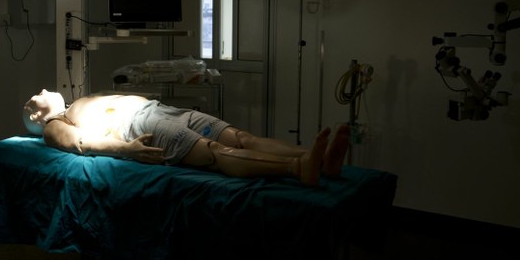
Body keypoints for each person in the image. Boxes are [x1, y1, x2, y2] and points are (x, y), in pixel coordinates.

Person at [23, 89, 350, 187]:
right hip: (141, 126)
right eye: (35, 98)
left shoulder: (75, 103)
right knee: (214, 151)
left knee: (241, 137)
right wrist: (127, 150)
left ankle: (318, 161)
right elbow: (82, 144)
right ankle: (297, 169)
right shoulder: (54, 125)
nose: (42, 90)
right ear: (36, 117)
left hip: (159, 110)